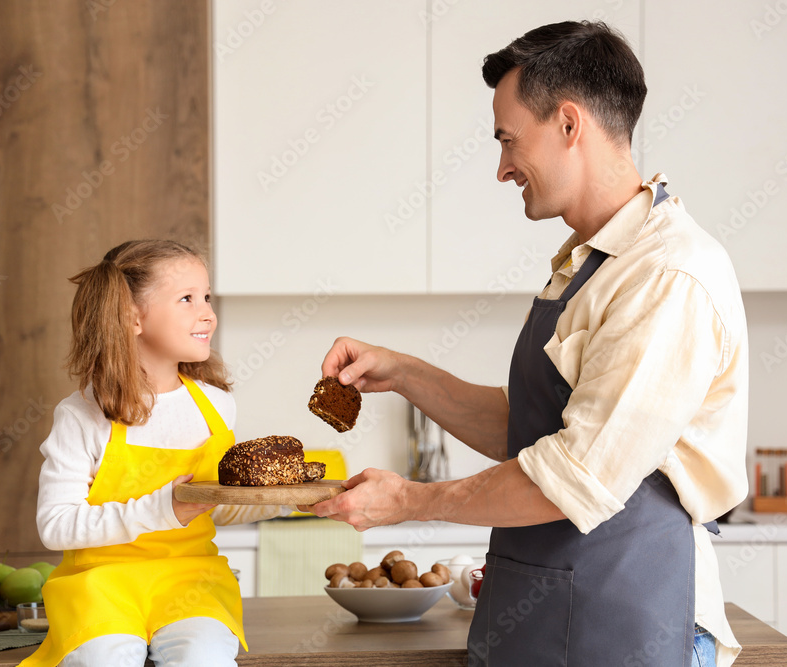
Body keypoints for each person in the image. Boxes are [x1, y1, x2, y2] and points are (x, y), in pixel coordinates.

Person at [309, 21, 748, 667]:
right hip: (546, 614)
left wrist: (408, 501)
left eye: (508, 140)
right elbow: (534, 428)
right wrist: (404, 372)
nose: (502, 168)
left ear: (569, 124)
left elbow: (573, 476)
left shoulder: (666, 276)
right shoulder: (591, 263)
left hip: (626, 623)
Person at [23, 240, 286, 667]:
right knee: (106, 660)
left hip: (191, 581)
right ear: (132, 317)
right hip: (100, 584)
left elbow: (215, 507)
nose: (207, 313)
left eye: (206, 297)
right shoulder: (82, 415)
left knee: (203, 659)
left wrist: (290, 502)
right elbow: (55, 527)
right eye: (186, 299)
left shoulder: (217, 406)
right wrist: (164, 508)